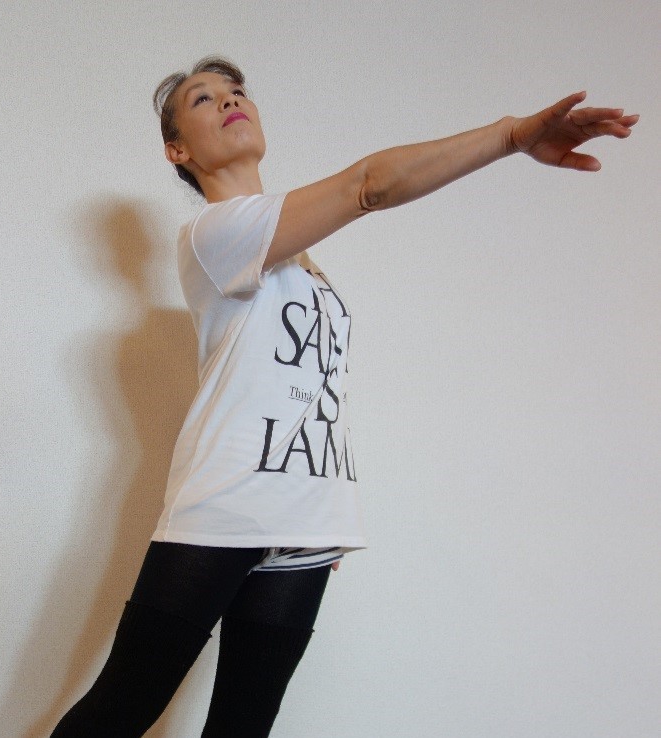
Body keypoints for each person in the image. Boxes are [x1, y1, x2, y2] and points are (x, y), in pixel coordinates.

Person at [51, 57, 637, 738]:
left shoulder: (301, 261)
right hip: (225, 509)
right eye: (202, 100)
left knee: (244, 726)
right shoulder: (216, 233)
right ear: (177, 150)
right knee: (118, 711)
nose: (230, 100)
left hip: (305, 521)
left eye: (236, 91)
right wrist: (509, 136)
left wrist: (327, 511)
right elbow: (369, 185)